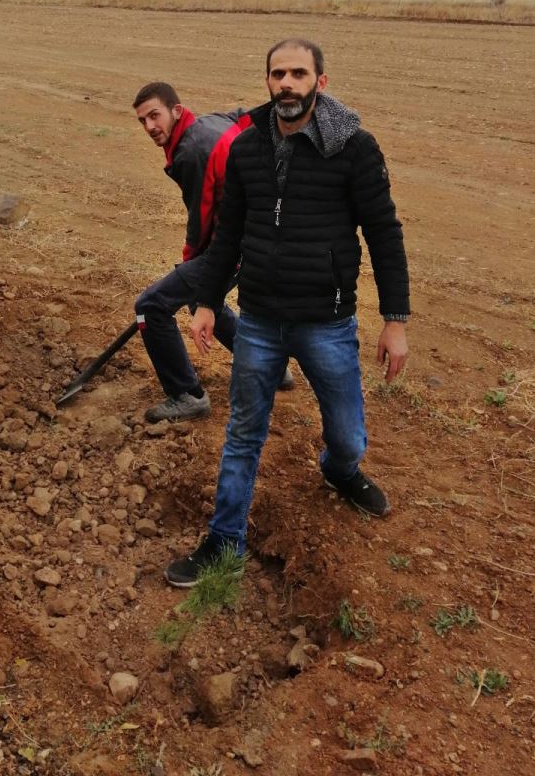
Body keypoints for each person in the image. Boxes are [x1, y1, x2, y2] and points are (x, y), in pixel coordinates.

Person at [164, 39, 410, 586]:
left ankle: (339, 471)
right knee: (243, 434)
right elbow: (228, 234)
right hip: (258, 321)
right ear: (268, 82)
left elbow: (384, 233)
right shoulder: (247, 147)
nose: (287, 83)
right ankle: (224, 542)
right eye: (278, 74)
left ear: (320, 82)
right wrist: (207, 302)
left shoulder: (354, 148)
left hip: (327, 323)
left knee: (347, 438)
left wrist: (395, 319)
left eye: (299, 73)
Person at [133, 82, 293, 424]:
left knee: (151, 306)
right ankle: (271, 366)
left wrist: (191, 259)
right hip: (265, 231)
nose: (149, 126)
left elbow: (201, 218)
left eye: (155, 115)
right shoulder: (210, 123)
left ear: (176, 111)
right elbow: (245, 118)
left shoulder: (191, 152)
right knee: (201, 300)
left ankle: (187, 395)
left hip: (243, 241)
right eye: (143, 120)